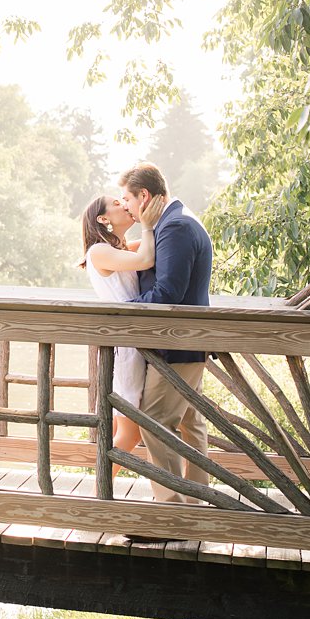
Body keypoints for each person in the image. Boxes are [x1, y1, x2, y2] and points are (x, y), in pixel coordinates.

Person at [118, 161, 214, 507]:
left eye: (127, 199)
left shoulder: (175, 227)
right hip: (187, 343)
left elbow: (168, 292)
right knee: (191, 423)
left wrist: (127, 308)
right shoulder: (176, 221)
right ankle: (195, 503)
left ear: (144, 196)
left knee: (156, 420)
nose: (125, 207)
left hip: (176, 345)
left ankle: (171, 508)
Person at [79, 191, 165, 466]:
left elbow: (152, 247)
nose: (124, 205)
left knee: (121, 430)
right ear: (103, 219)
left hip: (127, 343)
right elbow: (145, 260)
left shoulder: (118, 249)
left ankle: (101, 491)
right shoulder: (99, 251)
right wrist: (148, 225)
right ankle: (98, 493)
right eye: (117, 204)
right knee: (130, 434)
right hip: (125, 347)